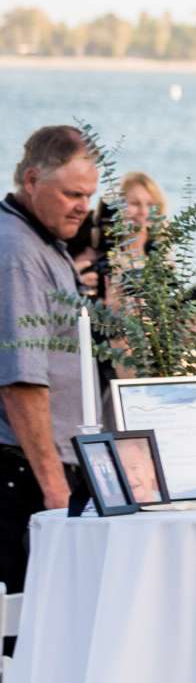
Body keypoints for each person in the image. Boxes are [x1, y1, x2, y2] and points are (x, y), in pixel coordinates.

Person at [0, 126, 98, 596]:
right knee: (24, 630)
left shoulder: (46, 244)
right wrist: (55, 489)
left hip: (49, 469)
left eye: (89, 195)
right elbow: (21, 381)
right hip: (24, 478)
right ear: (33, 180)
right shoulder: (19, 253)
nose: (83, 206)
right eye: (72, 194)